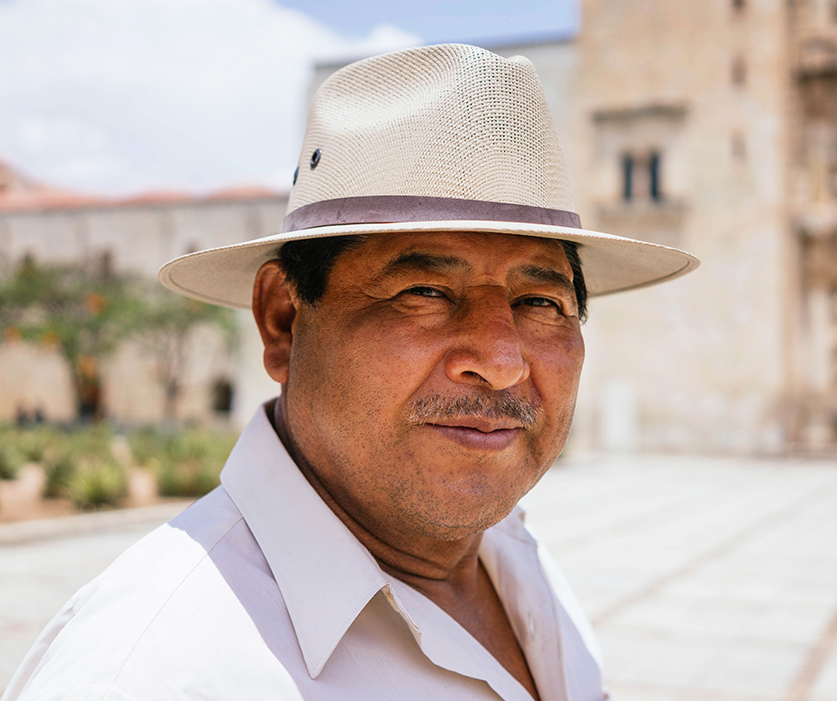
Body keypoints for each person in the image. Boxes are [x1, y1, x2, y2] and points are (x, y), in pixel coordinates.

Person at [4, 44, 698, 701]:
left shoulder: (516, 561)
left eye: (541, 302)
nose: (500, 360)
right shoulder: (152, 672)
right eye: (423, 293)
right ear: (283, 320)